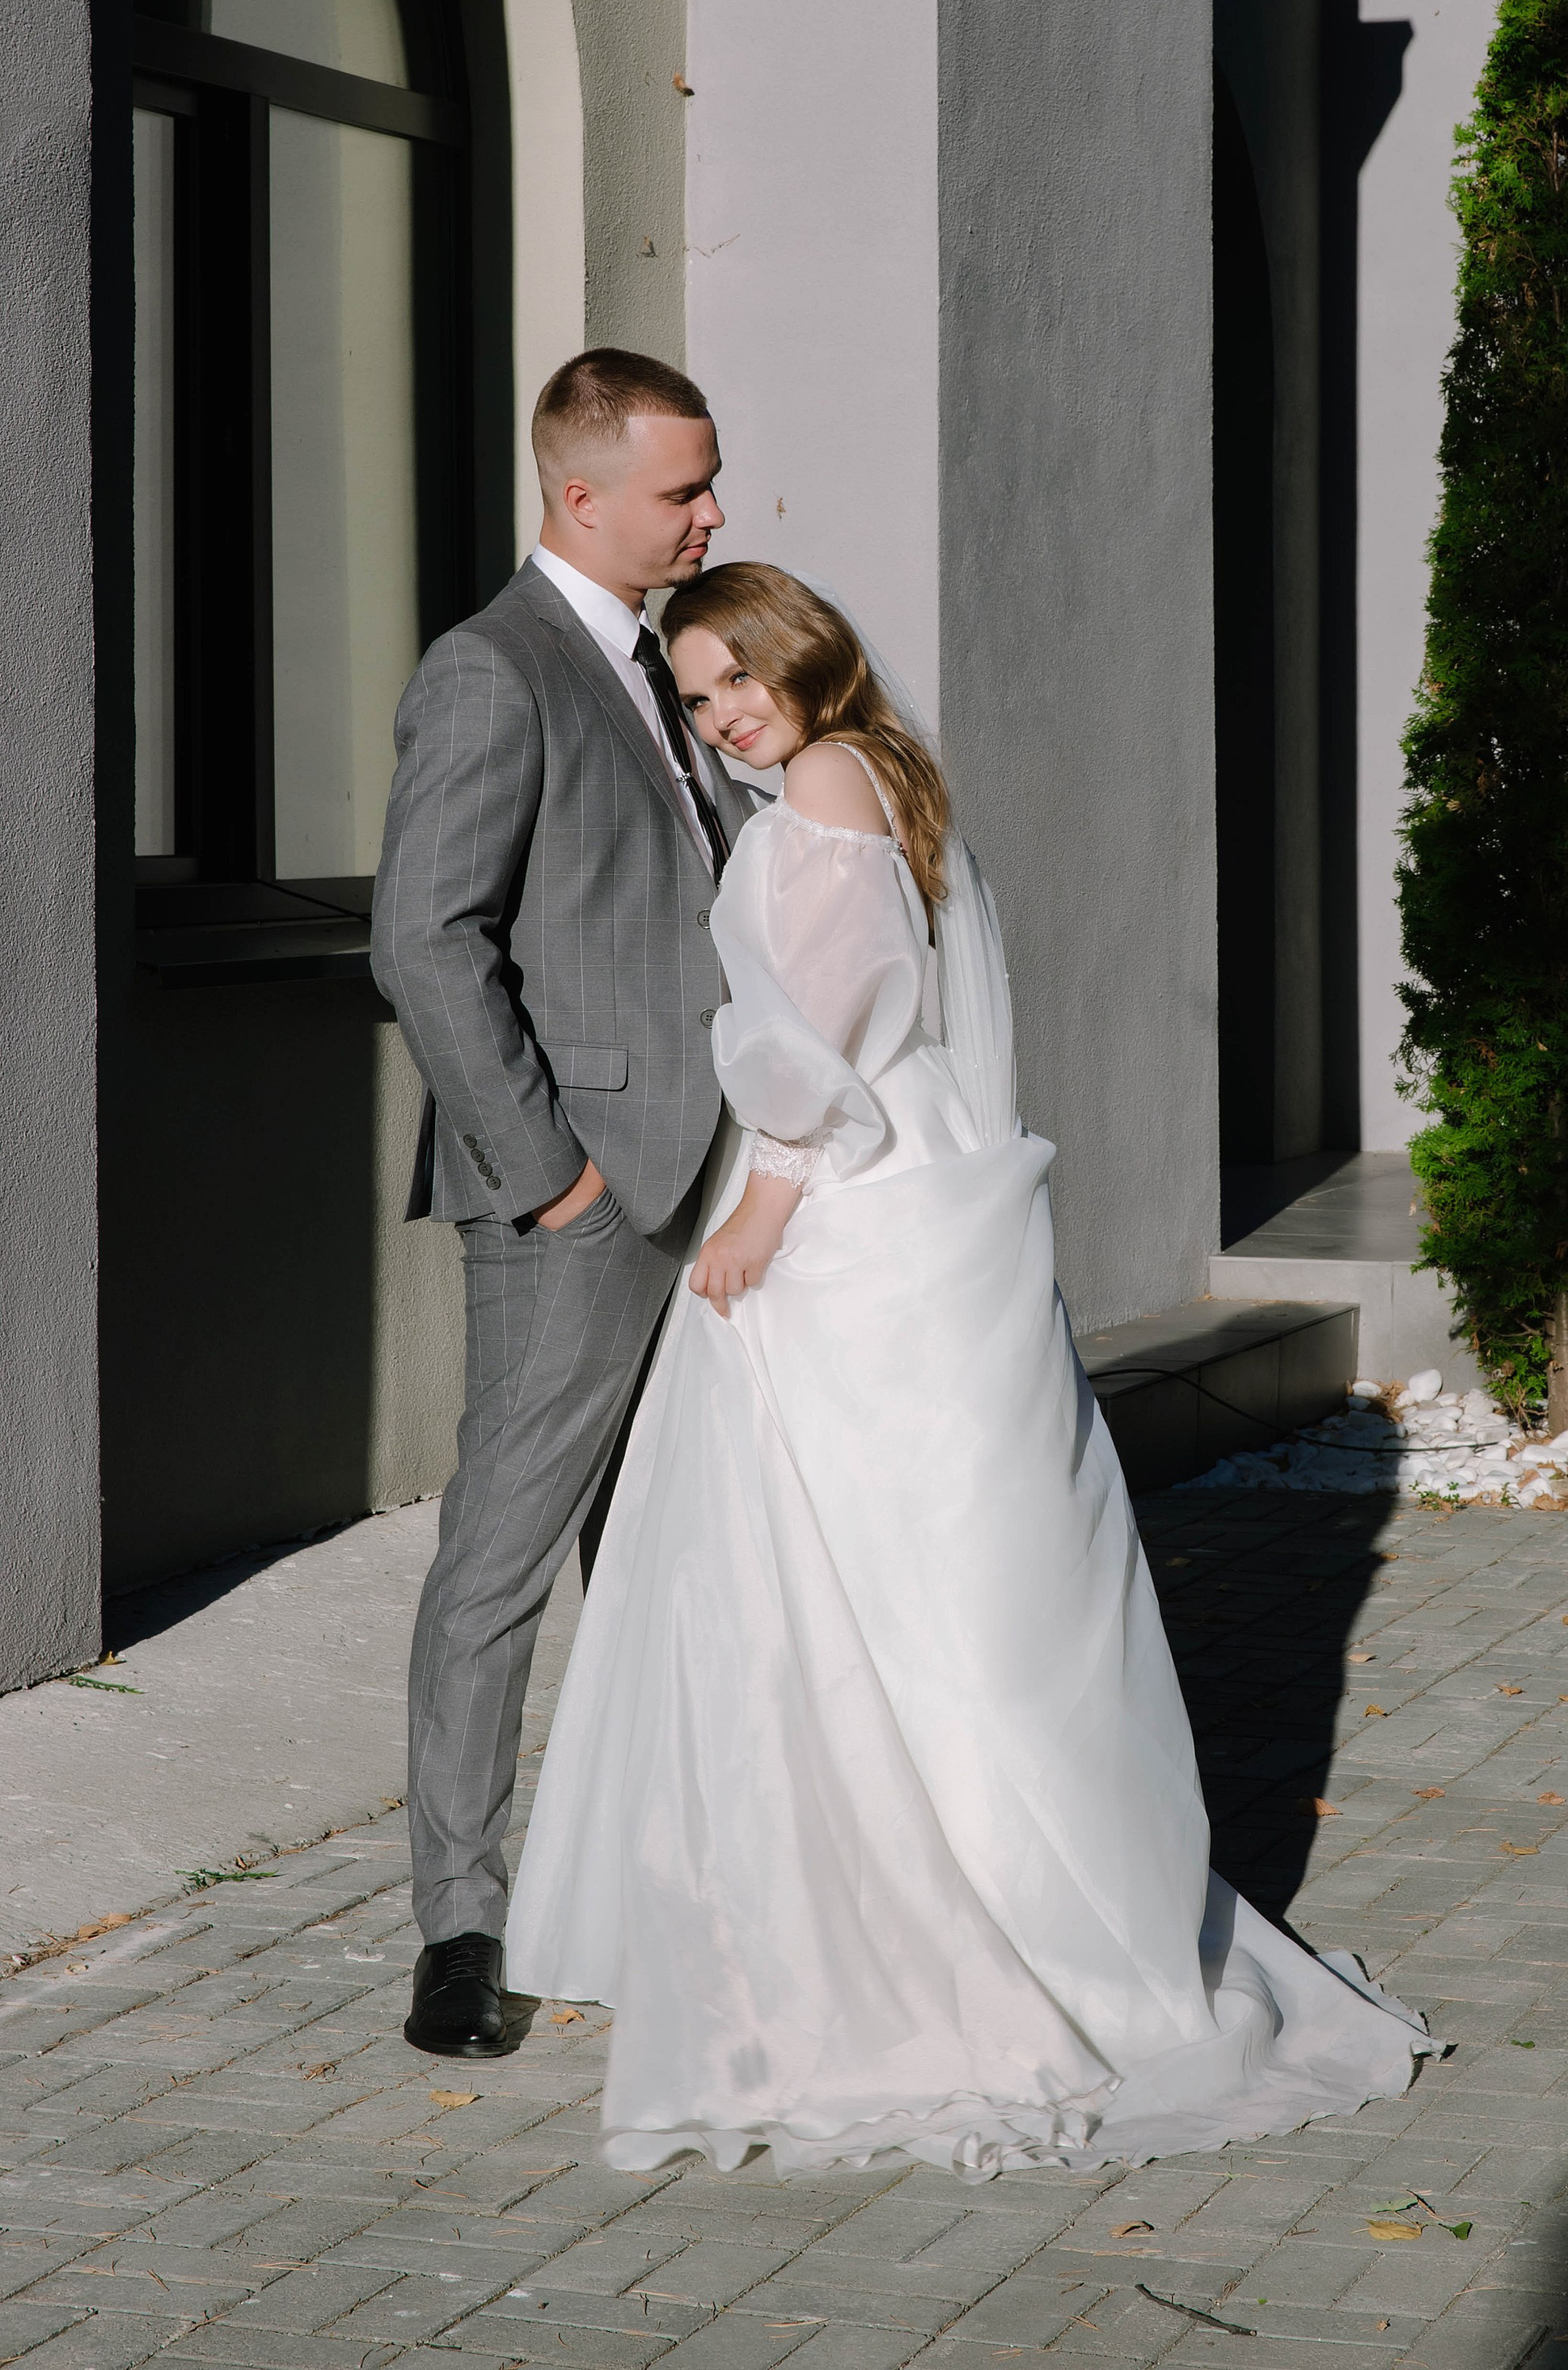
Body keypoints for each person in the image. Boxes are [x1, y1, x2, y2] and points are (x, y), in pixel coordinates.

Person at [505, 561, 1436, 2176]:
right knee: (925, 1570)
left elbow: (841, 1018)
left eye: (739, 680)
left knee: (842, 1571)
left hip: (844, 1202)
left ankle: (903, 1943)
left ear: (804, 662)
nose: (724, 717)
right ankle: (958, 1905)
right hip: (905, 1182)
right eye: (698, 693)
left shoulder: (821, 780)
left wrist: (765, 1209)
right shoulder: (879, 767)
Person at [370, 348, 750, 2064]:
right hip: (577, 1199)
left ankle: (661, 1879)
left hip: (714, 1184)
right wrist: (558, 1183)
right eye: (682, 489)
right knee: (501, 1564)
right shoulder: (492, 666)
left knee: (670, 1551)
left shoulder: (671, 665)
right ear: (576, 494)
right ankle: (461, 1925)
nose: (711, 513)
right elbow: (423, 940)